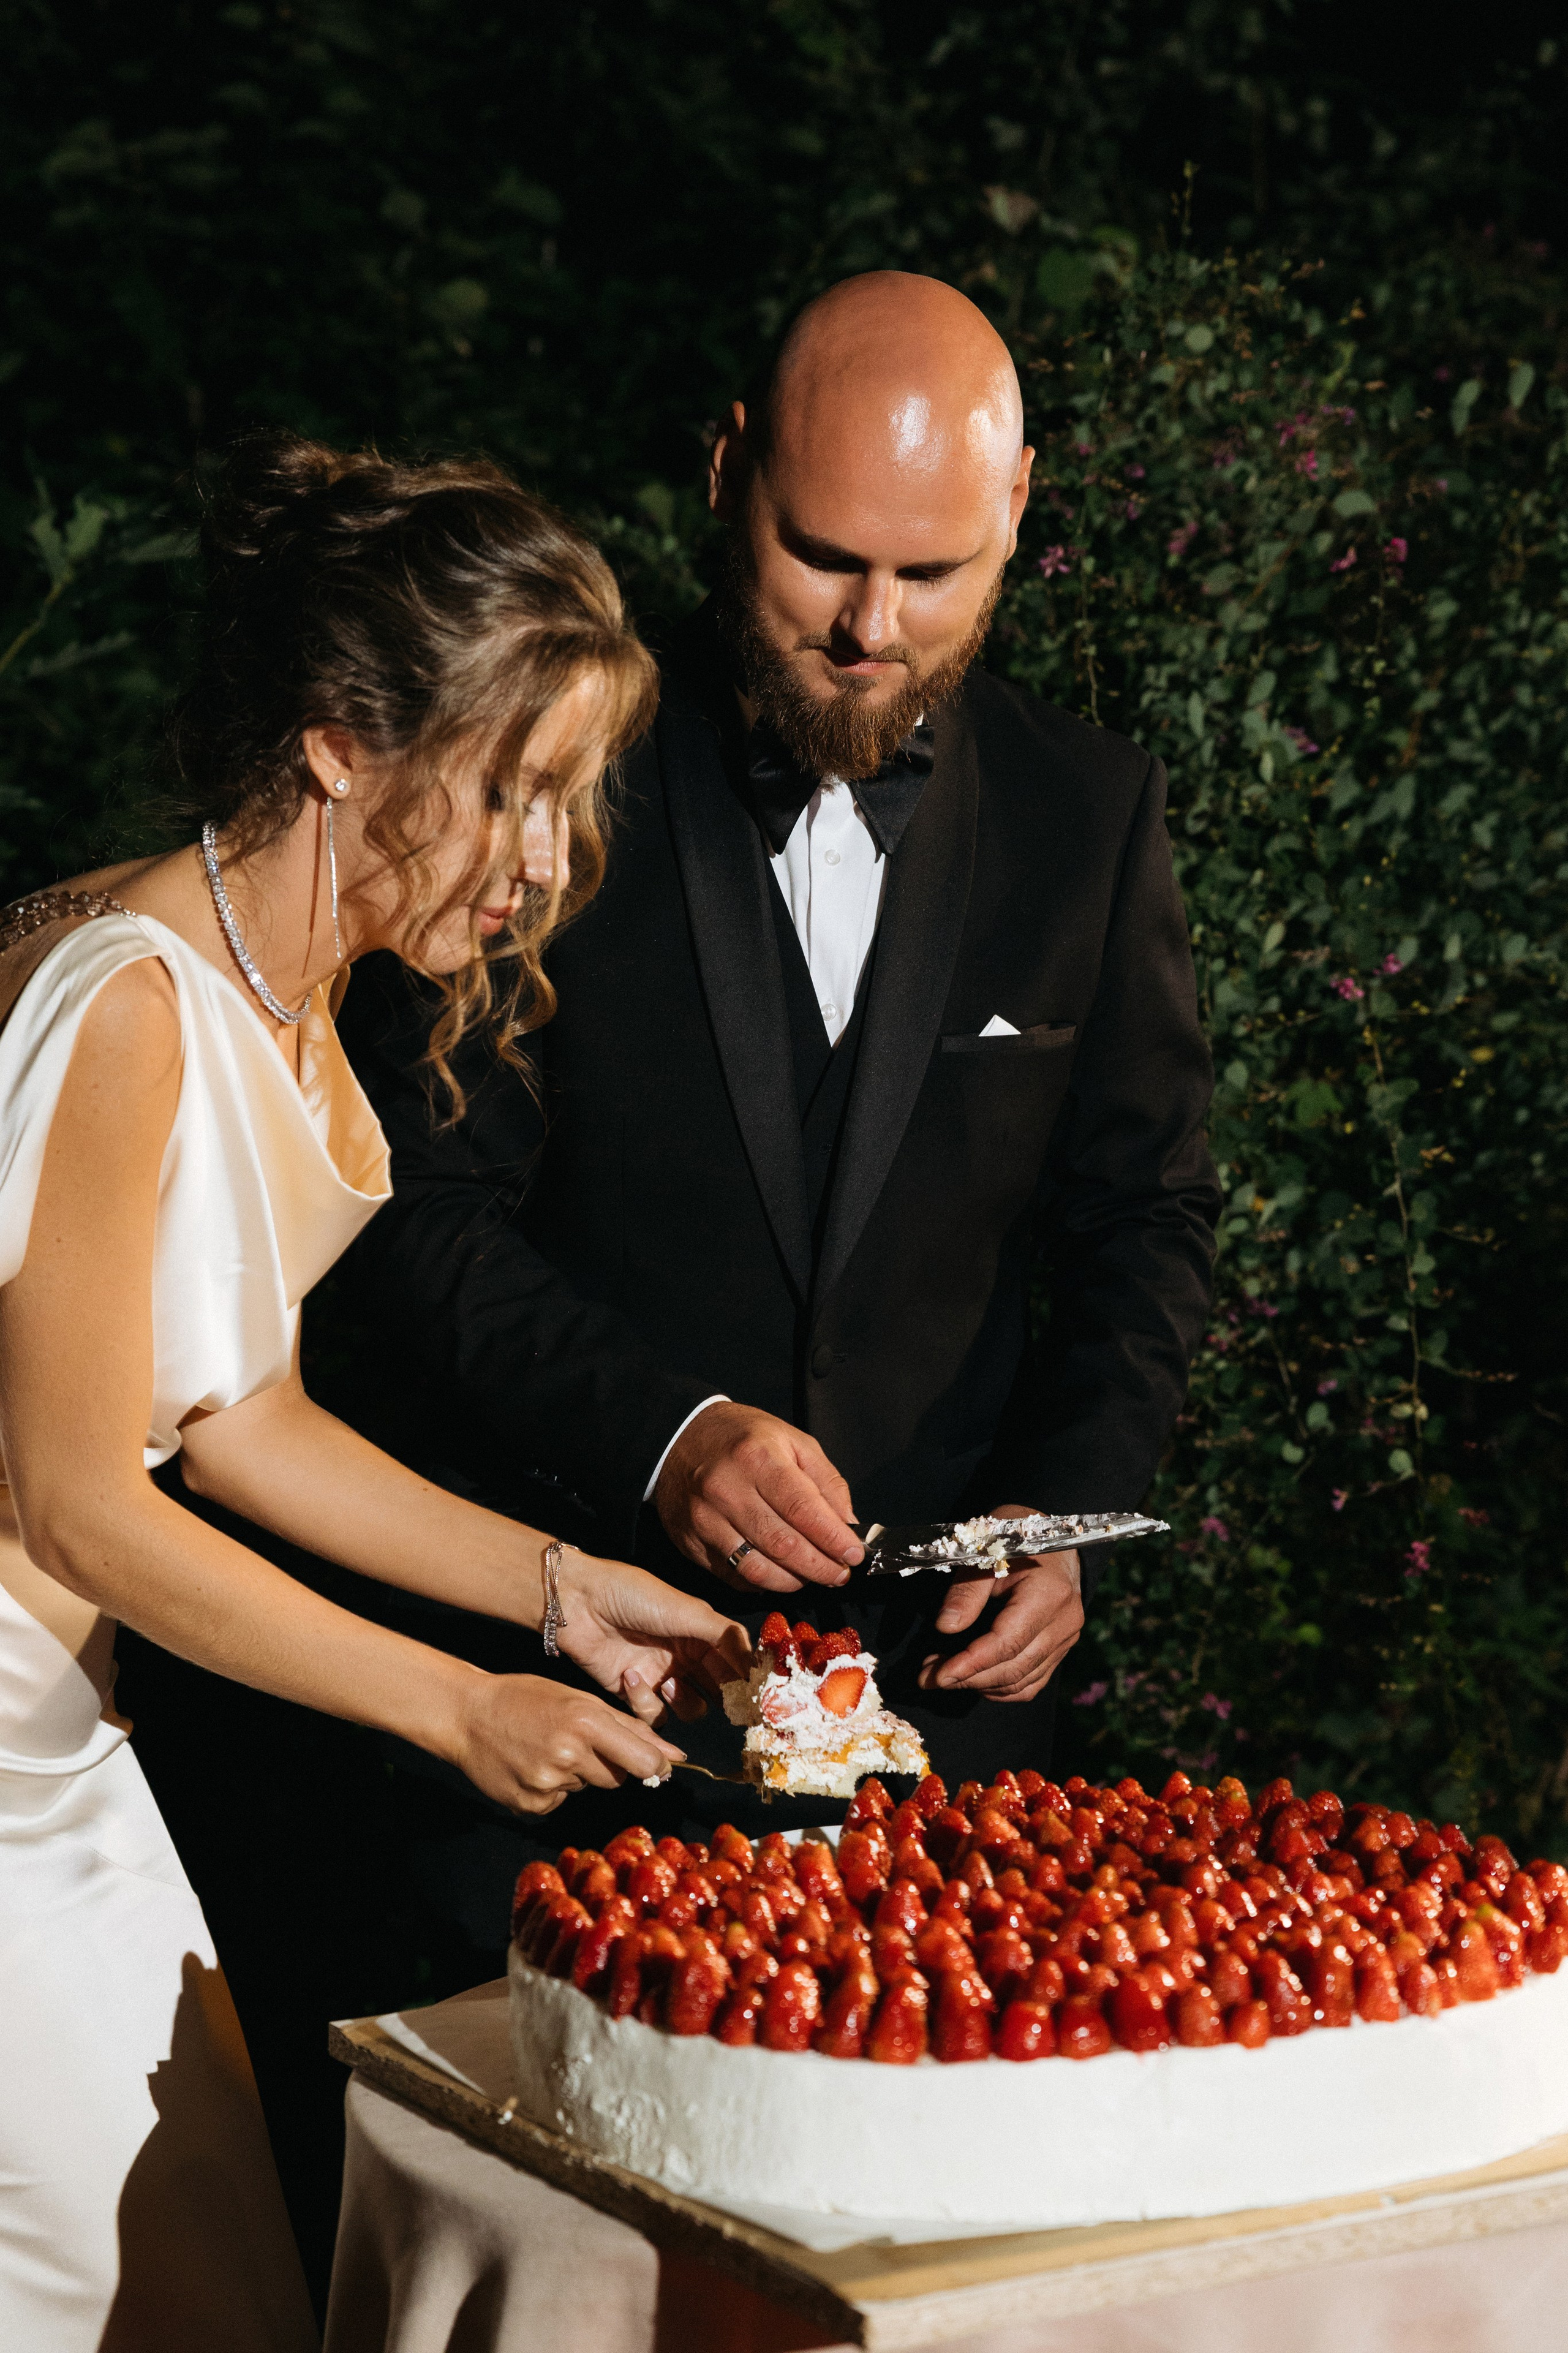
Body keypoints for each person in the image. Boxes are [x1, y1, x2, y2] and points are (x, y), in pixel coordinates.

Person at [0, 433, 745, 2351]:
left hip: (59, 1736)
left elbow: (242, 1416)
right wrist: (452, 1706)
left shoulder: (288, 995)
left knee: (214, 2281)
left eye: (572, 796)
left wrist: (561, 1593)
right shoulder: (132, 1005)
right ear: (341, 736)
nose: (549, 856)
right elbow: (82, 1498)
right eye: (515, 786)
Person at [339, 268, 1219, 1840]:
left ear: (1018, 504)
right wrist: (657, 1432)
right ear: (726, 467)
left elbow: (1138, 1213)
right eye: (819, 556)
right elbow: (406, 1209)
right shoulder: (545, 776)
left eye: (932, 571)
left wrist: (1060, 1504)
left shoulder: (1090, 815)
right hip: (563, 1706)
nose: (869, 630)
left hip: (939, 1734)